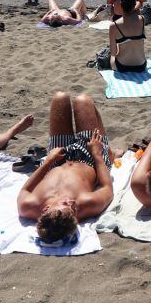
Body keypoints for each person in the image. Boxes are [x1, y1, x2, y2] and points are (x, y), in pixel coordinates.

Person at [17, 92, 114, 244]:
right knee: (82, 100)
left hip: (56, 159)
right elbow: (106, 187)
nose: (72, 204)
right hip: (89, 158)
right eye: (74, 210)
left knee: (59, 98)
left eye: (65, 204)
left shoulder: (28, 206)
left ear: (45, 209)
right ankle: (108, 151)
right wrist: (97, 154)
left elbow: (25, 190)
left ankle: (107, 148)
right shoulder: (87, 204)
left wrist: (49, 160)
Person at [109, 0, 146, 73]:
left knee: (112, 57)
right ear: (134, 5)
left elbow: (113, 52)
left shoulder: (114, 25)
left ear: (121, 6)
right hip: (141, 65)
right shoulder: (142, 19)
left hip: (122, 66)